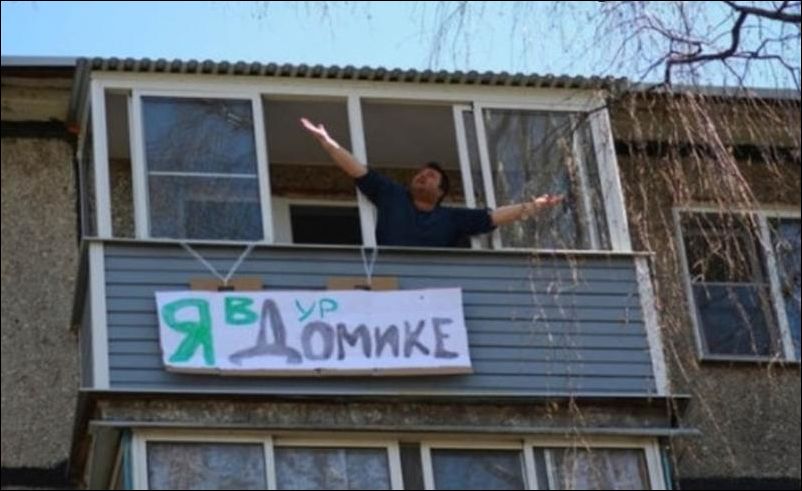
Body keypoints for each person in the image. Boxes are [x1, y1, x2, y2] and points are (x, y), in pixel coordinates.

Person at [300, 117, 563, 247]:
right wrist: (327, 142)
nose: (422, 176)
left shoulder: (451, 219)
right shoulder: (392, 196)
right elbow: (357, 170)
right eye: (421, 173)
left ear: (440, 192)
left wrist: (534, 206)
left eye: (431, 176)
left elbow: (494, 217)